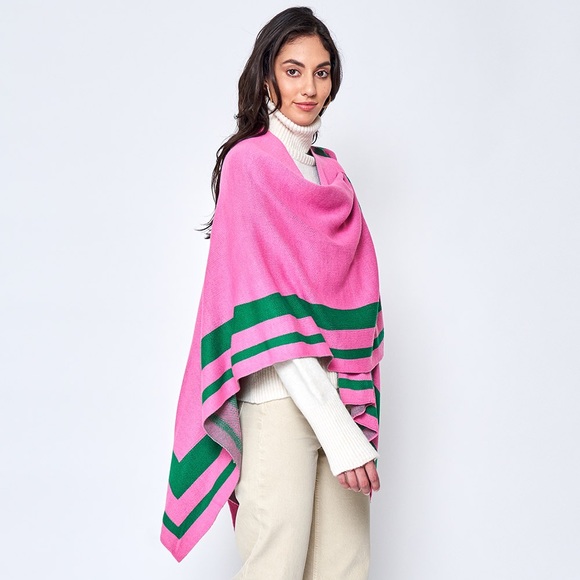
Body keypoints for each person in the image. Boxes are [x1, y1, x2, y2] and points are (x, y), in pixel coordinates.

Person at [161, 7, 385, 579]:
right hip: (280, 403)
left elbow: (351, 301)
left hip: (341, 397)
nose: (309, 87)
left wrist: (343, 419)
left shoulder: (334, 177)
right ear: (268, 77)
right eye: (293, 70)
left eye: (321, 72)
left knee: (346, 568)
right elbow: (272, 319)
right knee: (274, 569)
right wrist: (339, 432)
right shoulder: (250, 165)